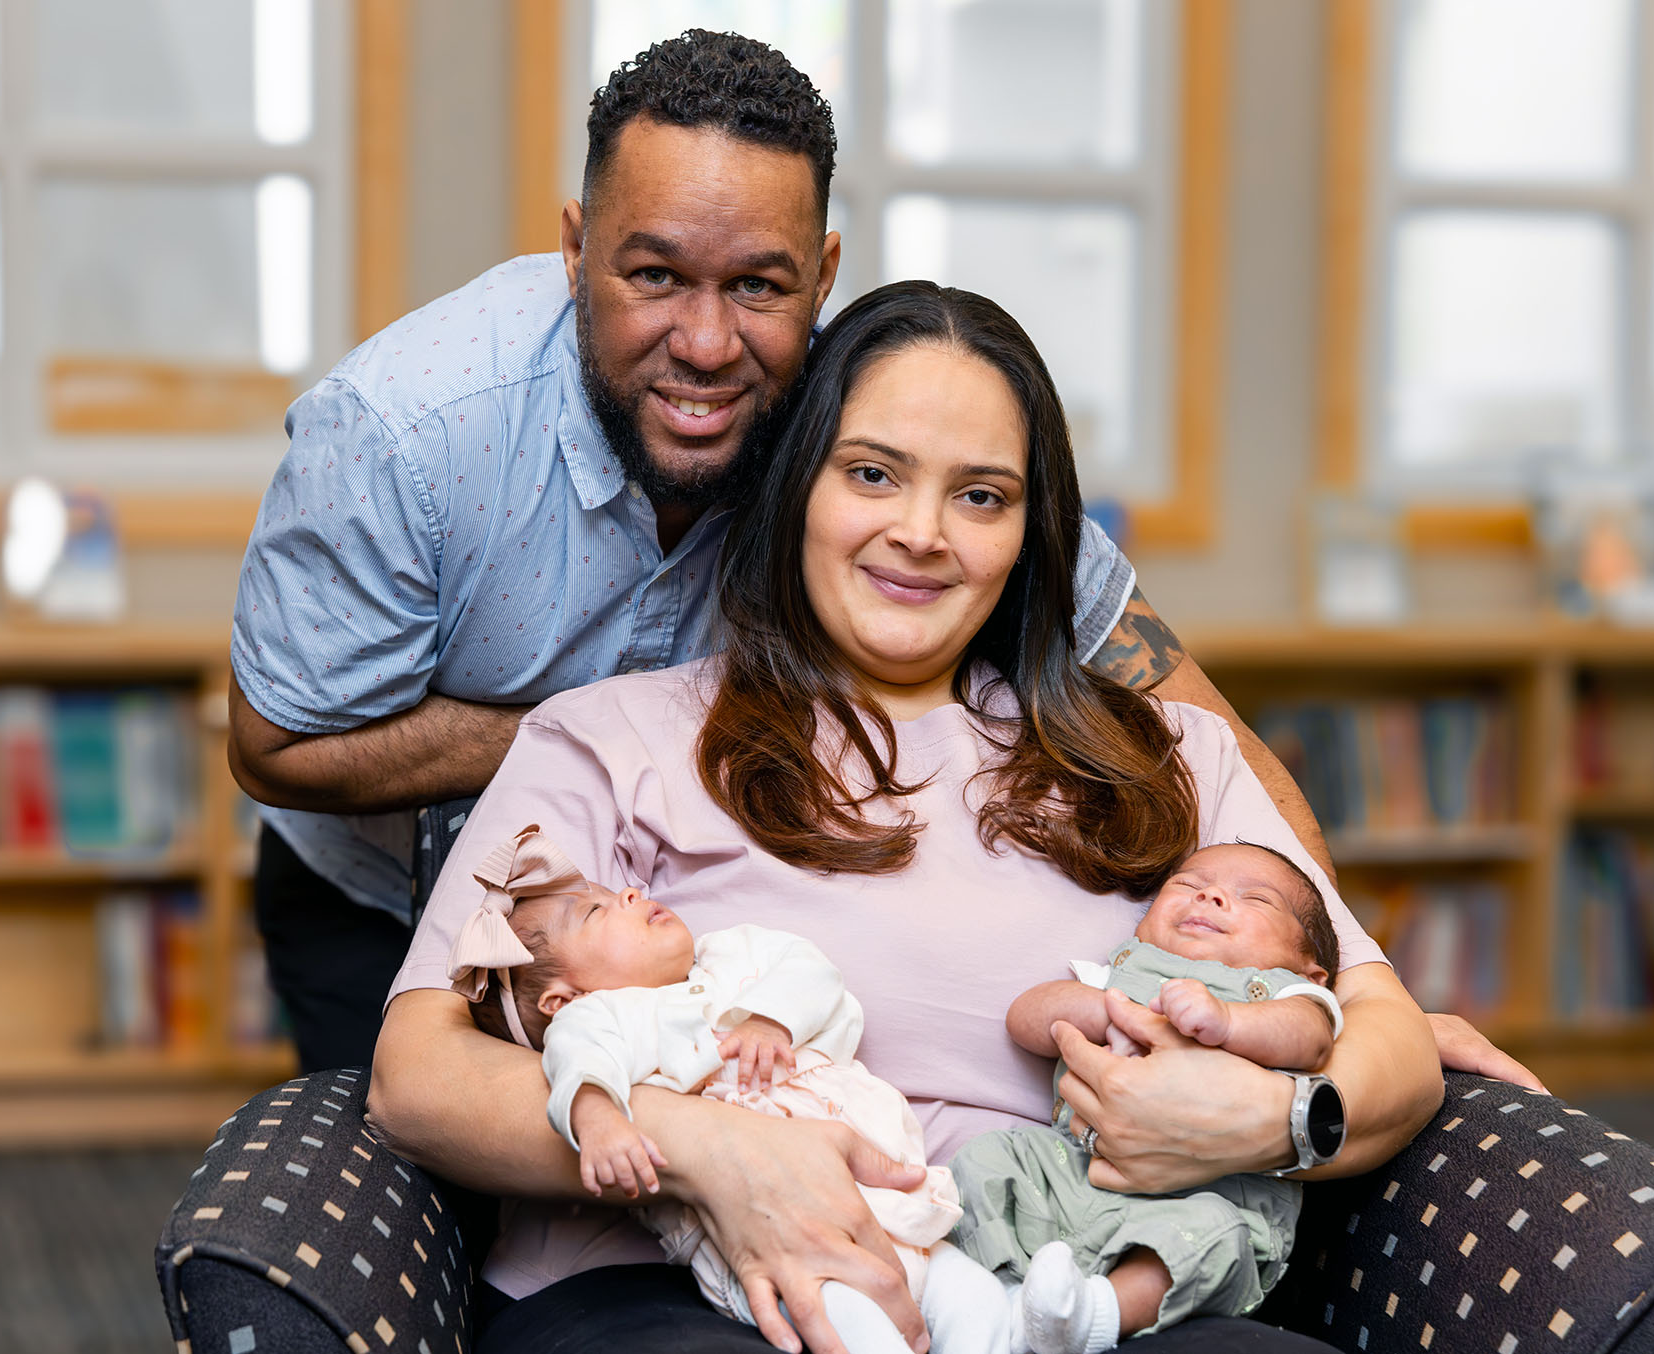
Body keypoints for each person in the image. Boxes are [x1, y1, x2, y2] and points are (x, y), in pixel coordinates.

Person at [219, 29, 1524, 1089]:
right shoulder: (401, 432)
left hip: (681, 935)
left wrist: (1346, 989)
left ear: (825, 271)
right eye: (655, 274)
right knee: (435, 1217)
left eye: (763, 287)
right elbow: (277, 742)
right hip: (379, 886)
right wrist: (593, 739)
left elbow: (1202, 729)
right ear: (573, 247)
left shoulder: (877, 430)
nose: (710, 344)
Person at [369, 279, 1446, 1354]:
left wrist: (1272, 1121)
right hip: (675, 1283)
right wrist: (702, 1146)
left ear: (1031, 531)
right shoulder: (606, 738)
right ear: (796, 486)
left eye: (980, 496)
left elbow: (1387, 1035)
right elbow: (414, 1073)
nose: (920, 533)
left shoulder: (1172, 755)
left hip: (1065, 1288)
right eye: (873, 474)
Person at [442, 822, 1008, 1354]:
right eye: (598, 910)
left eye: (618, 891)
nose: (632, 892)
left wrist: (769, 1020)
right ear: (568, 999)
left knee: (971, 1296)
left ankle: (1043, 1315)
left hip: (887, 1201)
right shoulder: (608, 1018)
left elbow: (809, 971)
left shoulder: (730, 957)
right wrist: (598, 1119)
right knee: (848, 1321)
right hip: (768, 1242)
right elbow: (577, 1061)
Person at [949, 841, 1348, 1353]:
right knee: (988, 1159)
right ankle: (1000, 1302)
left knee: (1216, 1240)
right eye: (1186, 884)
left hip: (1206, 1196)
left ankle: (1093, 1314)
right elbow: (1025, 1017)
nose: (1210, 896)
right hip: (1073, 1169)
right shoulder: (1120, 973)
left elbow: (1309, 1040)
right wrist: (1107, 1008)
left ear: (1310, 969)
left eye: (1256, 898)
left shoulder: (1287, 994)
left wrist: (1228, 1021)